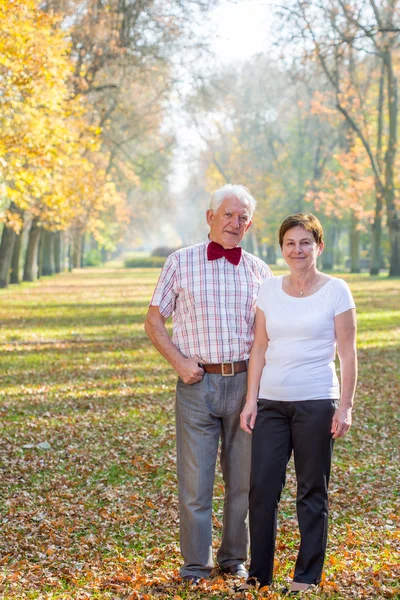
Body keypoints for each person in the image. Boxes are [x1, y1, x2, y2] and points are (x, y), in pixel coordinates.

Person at [144, 184, 272, 584]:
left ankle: (234, 559)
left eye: (243, 217)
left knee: (243, 482)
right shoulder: (180, 262)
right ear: (210, 217)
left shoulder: (259, 269)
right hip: (197, 386)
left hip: (245, 389)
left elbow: (270, 333)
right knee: (196, 485)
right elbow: (153, 321)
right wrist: (180, 363)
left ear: (249, 224)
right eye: (229, 215)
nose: (235, 223)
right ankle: (195, 567)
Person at [240, 213, 357, 595]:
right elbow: (259, 346)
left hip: (317, 401)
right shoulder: (268, 290)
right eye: (290, 243)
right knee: (262, 487)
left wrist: (346, 406)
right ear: (282, 249)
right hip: (271, 402)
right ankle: (259, 575)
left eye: (305, 242)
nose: (297, 249)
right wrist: (251, 400)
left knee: (311, 490)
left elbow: (348, 353)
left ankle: (306, 576)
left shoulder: (337, 290)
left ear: (318, 247)